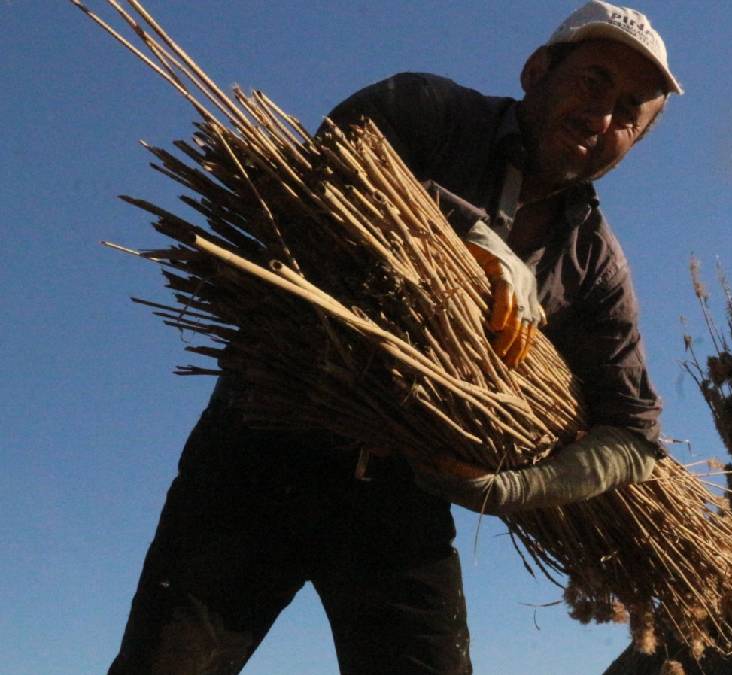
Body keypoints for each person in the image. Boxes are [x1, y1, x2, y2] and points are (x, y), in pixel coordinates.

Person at [108, 2, 681, 673]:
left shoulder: (593, 264)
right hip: (263, 446)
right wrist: (468, 239)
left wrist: (512, 487)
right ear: (536, 71)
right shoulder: (427, 109)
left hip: (401, 491)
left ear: (634, 143)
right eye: (592, 82)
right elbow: (323, 174)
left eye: (628, 112)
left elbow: (635, 434)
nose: (602, 115)